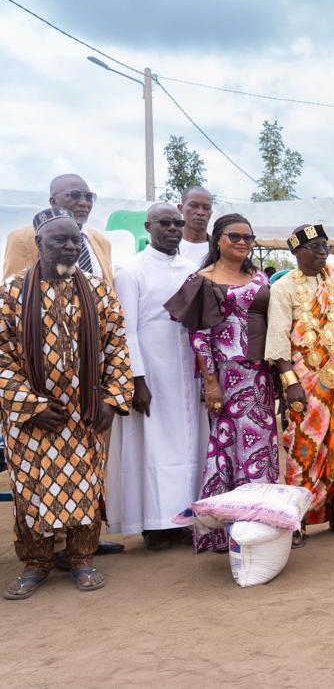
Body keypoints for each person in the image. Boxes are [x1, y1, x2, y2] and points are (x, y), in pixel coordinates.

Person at [1, 208, 133, 600]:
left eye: (76, 239)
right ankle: (36, 563)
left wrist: (112, 398)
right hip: (32, 420)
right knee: (31, 490)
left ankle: (81, 559)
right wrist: (31, 405)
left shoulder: (97, 289)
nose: (71, 246)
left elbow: (116, 347)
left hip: (84, 415)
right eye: (61, 240)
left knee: (86, 486)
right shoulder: (11, 292)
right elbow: (2, 357)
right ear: (39, 244)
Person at [164, 213, 279, 552]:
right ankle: (227, 530)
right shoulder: (202, 279)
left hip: (259, 376)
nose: (242, 242)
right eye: (234, 236)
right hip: (226, 378)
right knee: (229, 448)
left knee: (262, 448)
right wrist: (211, 382)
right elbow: (198, 335)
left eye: (248, 237)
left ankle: (262, 526)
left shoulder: (259, 277)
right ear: (217, 239)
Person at [106, 203, 209, 551]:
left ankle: (182, 518)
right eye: (165, 223)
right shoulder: (131, 271)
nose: (173, 229)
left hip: (187, 371)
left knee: (189, 446)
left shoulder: (191, 269)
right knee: (153, 447)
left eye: (177, 223)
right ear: (149, 226)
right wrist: (137, 380)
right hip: (151, 373)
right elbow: (126, 330)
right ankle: (154, 525)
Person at [265, 224, 334, 546]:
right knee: (304, 449)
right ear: (296, 252)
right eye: (313, 247)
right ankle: (296, 521)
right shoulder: (283, 288)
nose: (321, 251)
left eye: (324, 245)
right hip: (305, 383)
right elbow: (277, 341)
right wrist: (290, 383)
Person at [3, 174, 113, 284]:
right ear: (53, 201)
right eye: (75, 195)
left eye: (89, 197)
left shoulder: (102, 242)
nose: (84, 203)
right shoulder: (23, 238)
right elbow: (13, 290)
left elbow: (109, 290)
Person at [177, 186, 213, 264]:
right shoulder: (166, 246)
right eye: (194, 206)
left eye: (206, 208)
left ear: (211, 213)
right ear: (180, 208)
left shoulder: (219, 248)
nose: (200, 212)